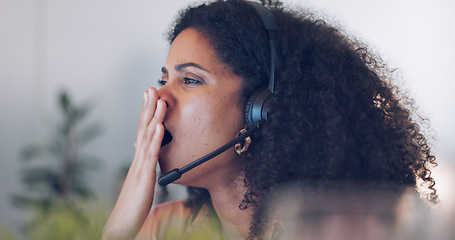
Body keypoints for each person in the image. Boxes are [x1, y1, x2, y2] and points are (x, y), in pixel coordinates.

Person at [102, 0, 438, 239]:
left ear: (263, 110)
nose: (158, 97)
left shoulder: (333, 230)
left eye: (190, 79)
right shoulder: (164, 230)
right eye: (164, 80)